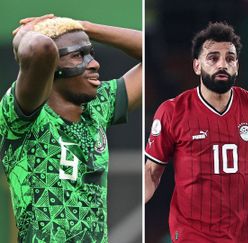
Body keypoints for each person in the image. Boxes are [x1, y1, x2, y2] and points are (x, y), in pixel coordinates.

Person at [0, 14, 142, 242]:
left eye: (91, 54)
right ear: (51, 68)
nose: (94, 64)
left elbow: (148, 52)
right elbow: (40, 49)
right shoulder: (23, 116)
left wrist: (82, 27)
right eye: (78, 56)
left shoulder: (97, 106)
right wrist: (25, 36)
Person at [145, 22, 248, 242]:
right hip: (192, 236)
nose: (222, 64)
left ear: (237, 66)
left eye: (229, 58)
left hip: (243, 235)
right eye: (213, 58)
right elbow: (152, 172)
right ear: (197, 66)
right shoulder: (173, 111)